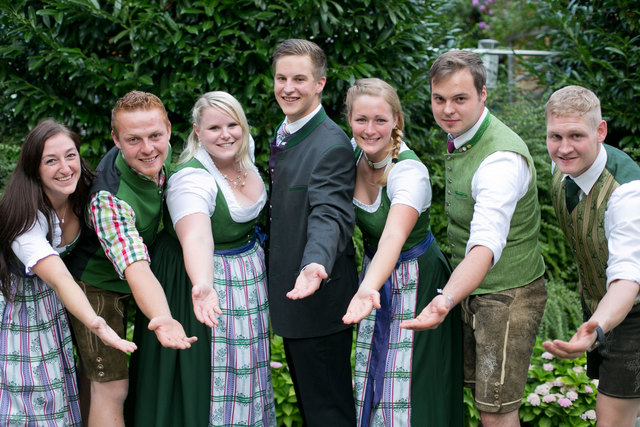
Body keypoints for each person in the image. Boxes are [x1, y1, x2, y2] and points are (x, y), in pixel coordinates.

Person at [401, 50, 547, 427]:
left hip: (507, 294)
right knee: (482, 403)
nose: (447, 109)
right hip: (475, 292)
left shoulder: (500, 161)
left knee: (497, 413)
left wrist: (445, 300)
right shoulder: (464, 135)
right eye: (439, 99)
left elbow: (485, 244)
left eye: (460, 98)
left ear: (483, 96)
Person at [127, 91, 275, 426]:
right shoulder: (190, 179)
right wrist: (204, 283)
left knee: (247, 365)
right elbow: (196, 235)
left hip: (247, 278)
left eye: (233, 125)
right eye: (214, 128)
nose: (226, 134)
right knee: (207, 374)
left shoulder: (243, 153)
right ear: (197, 132)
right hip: (200, 278)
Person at [65, 91, 199, 426]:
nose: (148, 148)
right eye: (133, 140)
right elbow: (135, 266)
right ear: (116, 139)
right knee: (111, 388)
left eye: (155, 136)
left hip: (138, 284)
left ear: (168, 128)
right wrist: (163, 317)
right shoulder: (108, 198)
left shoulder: (167, 162)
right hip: (96, 287)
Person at [342, 78, 463, 426]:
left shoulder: (409, 172)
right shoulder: (350, 153)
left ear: (396, 119)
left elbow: (393, 236)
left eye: (380, 120)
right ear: (349, 120)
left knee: (409, 383)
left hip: (416, 279)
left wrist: (366, 288)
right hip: (376, 274)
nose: (369, 129)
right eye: (361, 119)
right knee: (371, 372)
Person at [0, 119, 136, 425]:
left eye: (70, 155)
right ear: (34, 168)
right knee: (34, 399)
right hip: (22, 312)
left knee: (68, 391)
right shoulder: (26, 220)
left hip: (59, 304)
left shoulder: (87, 192)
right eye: (51, 161)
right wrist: (96, 323)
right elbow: (59, 278)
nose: (65, 167)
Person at [268, 38, 358, 426]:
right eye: (281, 78)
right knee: (311, 407)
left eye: (299, 79)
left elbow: (331, 213)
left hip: (319, 300)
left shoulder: (330, 144)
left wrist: (315, 263)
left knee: (327, 412)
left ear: (320, 83)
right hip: (295, 299)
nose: (288, 87)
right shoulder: (285, 129)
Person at [541, 85, 640, 426]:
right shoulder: (564, 170)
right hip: (604, 312)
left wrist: (597, 327)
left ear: (601, 132)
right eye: (555, 136)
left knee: (611, 421)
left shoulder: (627, 195)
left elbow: (629, 278)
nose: (564, 148)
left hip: (633, 313)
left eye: (576, 136)